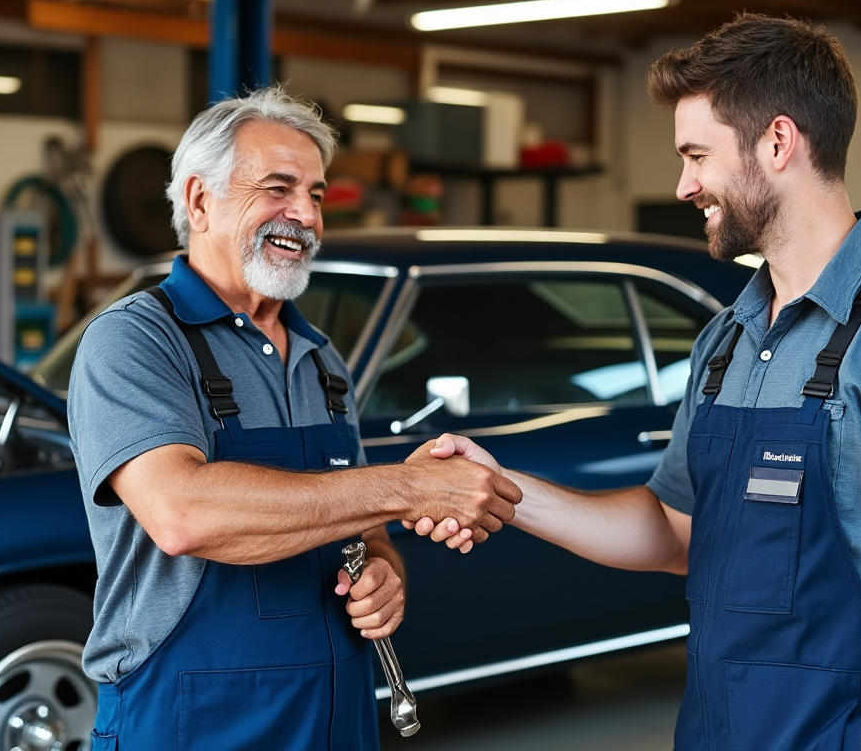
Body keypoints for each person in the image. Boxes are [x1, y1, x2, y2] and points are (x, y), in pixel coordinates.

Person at [416, 14, 861, 751]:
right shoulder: (729, 338)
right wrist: (506, 492)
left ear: (778, 143)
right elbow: (678, 530)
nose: (683, 185)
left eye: (696, 155)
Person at [68, 86, 521, 751]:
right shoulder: (135, 341)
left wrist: (386, 574)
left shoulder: (321, 359)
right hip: (192, 718)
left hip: (333, 709)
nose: (305, 215)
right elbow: (183, 514)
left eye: (316, 195)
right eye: (279, 189)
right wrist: (409, 487)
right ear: (199, 201)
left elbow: (361, 527)